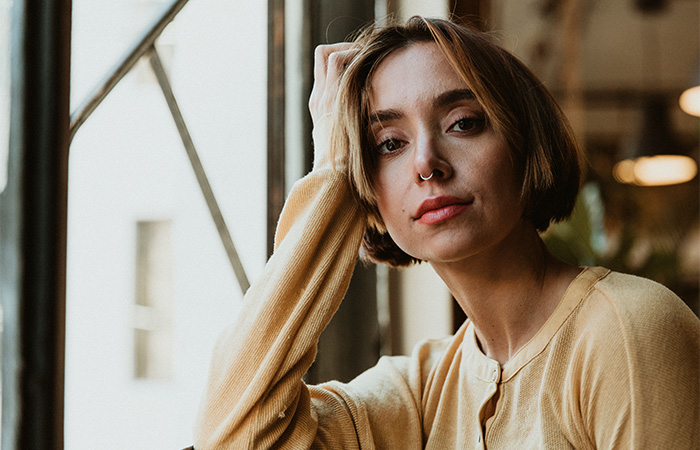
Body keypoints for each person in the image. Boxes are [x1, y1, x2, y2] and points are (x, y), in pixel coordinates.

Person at [193, 17, 700, 449]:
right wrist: (332, 168)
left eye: (463, 123)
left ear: (525, 142)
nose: (426, 164)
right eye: (388, 143)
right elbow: (236, 434)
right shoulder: (418, 394)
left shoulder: (628, 329)